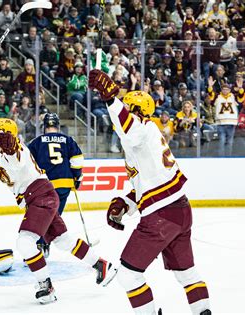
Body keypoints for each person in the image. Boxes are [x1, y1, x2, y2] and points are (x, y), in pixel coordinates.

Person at [0, 117, 116, 304]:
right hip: (39, 197)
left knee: (25, 242)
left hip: (41, 195)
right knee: (63, 240)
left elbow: (17, 161)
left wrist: (11, 148)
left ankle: (45, 285)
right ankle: (101, 266)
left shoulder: (19, 149)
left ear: (6, 136)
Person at [88, 69, 211, 314]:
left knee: (128, 275)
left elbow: (128, 125)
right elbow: (145, 185)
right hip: (179, 211)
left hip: (161, 216)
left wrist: (111, 99)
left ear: (137, 112)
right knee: (186, 273)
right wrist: (125, 203)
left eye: (129, 108)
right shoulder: (143, 139)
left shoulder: (142, 128)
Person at [28, 113, 83, 257]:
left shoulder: (37, 142)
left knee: (44, 216)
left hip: (44, 187)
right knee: (55, 215)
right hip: (64, 185)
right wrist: (77, 178)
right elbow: (77, 160)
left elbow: (27, 163)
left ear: (44, 127)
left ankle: (40, 245)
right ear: (58, 126)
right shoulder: (68, 140)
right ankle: (45, 243)